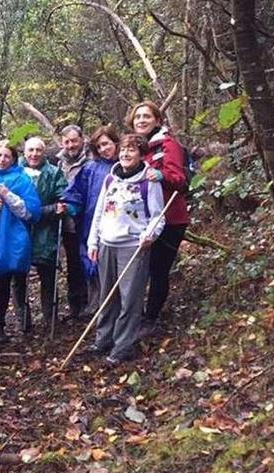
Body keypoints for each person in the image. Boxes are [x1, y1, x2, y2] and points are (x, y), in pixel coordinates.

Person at [86, 134, 165, 365]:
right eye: (123, 151)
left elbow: (158, 215)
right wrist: (93, 241)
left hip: (133, 247)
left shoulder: (148, 181)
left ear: (140, 153)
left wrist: (150, 235)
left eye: (131, 151)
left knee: (130, 298)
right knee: (107, 295)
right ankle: (103, 339)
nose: (125, 155)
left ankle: (123, 346)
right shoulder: (111, 179)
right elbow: (99, 212)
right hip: (107, 244)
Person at [126, 101, 190, 334]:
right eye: (137, 117)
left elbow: (179, 179)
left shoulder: (168, 144)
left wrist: (160, 174)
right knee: (142, 268)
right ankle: (138, 314)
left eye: (146, 116)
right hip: (143, 219)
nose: (141, 120)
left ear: (157, 120)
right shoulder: (138, 147)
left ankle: (150, 319)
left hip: (170, 217)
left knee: (158, 268)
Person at [0, 140, 42, 343]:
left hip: (10, 236)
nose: (2, 160)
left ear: (13, 159)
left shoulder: (21, 179)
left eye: (7, 156)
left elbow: (30, 212)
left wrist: (8, 196)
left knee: (3, 281)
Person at [60, 125, 120, 315]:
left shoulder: (127, 165)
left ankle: (122, 307)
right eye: (100, 146)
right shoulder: (90, 168)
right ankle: (98, 306)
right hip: (93, 224)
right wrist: (70, 206)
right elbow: (77, 193)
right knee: (93, 263)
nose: (104, 149)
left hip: (124, 227)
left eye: (107, 144)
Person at [11, 137, 68, 335]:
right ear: (24, 152)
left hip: (46, 232)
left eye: (38, 150)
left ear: (44, 152)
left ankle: (50, 318)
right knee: (18, 277)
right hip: (19, 230)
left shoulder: (53, 172)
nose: (34, 154)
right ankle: (23, 321)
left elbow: (63, 195)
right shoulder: (14, 170)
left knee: (48, 275)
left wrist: (59, 206)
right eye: (31, 150)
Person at [55, 125, 91, 319]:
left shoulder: (91, 161)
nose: (71, 145)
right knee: (73, 262)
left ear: (82, 140)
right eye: (67, 141)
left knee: (86, 260)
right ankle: (74, 305)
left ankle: (89, 302)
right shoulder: (57, 162)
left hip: (86, 219)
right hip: (66, 220)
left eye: (74, 140)